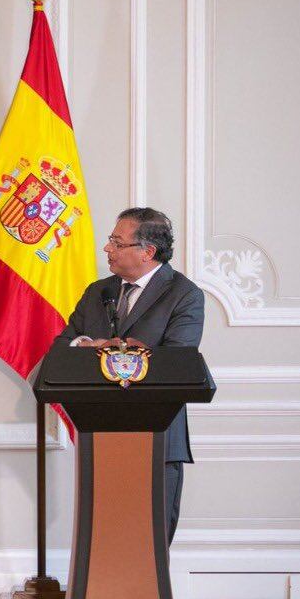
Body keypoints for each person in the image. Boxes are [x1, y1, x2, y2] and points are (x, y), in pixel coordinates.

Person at [52, 207, 205, 545]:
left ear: (147, 251)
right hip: (100, 435)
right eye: (111, 241)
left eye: (117, 243)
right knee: (104, 541)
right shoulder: (98, 292)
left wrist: (115, 351)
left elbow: (177, 362)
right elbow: (63, 347)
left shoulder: (184, 294)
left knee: (148, 543)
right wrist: (92, 345)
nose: (107, 248)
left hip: (157, 436)